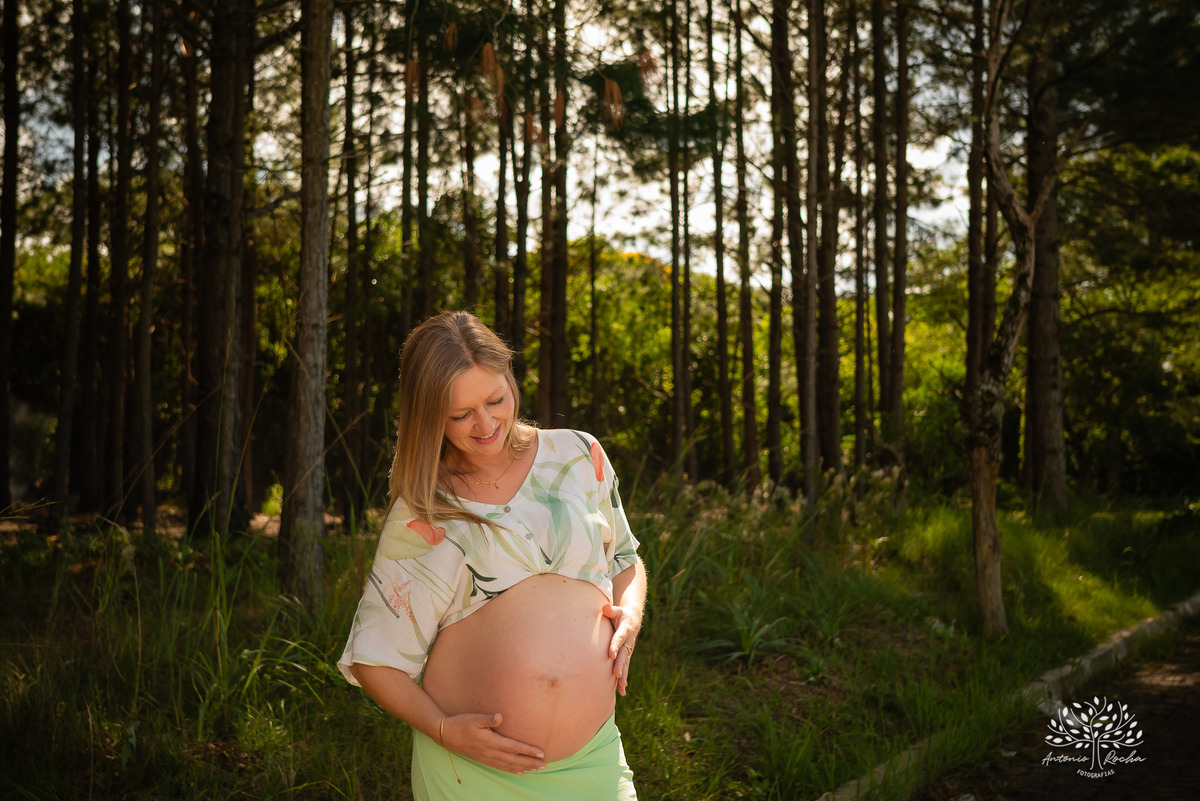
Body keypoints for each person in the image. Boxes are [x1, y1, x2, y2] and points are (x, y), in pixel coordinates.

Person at [339, 310, 647, 800]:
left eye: (495, 400)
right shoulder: (424, 511)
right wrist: (443, 730)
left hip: (594, 759)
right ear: (429, 416)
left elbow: (625, 559)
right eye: (460, 414)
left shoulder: (577, 455)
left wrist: (630, 614)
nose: (485, 425)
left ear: (510, 378)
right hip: (473, 774)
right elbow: (375, 659)